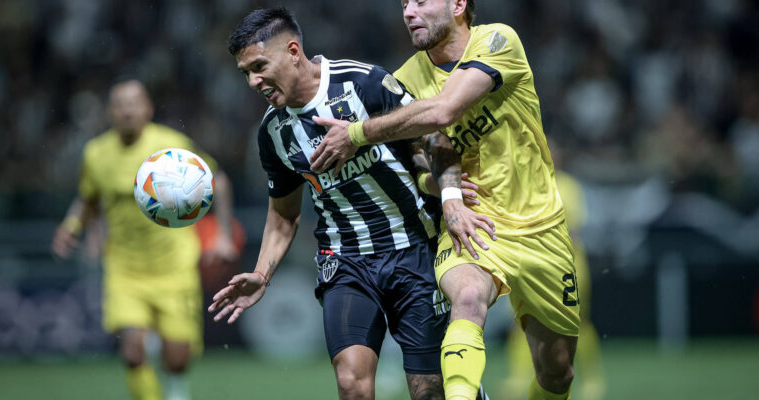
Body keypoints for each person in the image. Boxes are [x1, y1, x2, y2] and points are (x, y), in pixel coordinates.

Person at [206, 8, 489, 400]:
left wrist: (449, 196)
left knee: (429, 391)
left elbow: (432, 140)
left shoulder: (362, 81)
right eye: (246, 74)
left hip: (414, 250)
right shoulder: (273, 133)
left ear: (292, 51)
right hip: (346, 261)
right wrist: (262, 273)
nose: (254, 81)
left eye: (259, 66)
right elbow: (284, 214)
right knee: (351, 384)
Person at [309, 1, 581, 399]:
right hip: (472, 223)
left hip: (541, 229)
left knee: (557, 373)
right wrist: (437, 186)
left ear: (458, 4)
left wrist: (355, 133)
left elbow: (444, 110)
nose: (409, 12)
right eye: (404, 3)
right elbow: (416, 162)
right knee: (468, 298)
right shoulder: (401, 80)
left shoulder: (499, 41)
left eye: (421, 1)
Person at [52, 79, 240, 400]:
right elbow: (89, 199)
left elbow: (217, 179)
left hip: (174, 265)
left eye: (134, 103)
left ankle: (176, 388)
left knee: (177, 359)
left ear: (148, 109)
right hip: (125, 268)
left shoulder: (171, 146)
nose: (127, 111)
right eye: (120, 105)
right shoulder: (96, 154)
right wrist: (73, 225)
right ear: (110, 112)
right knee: (131, 352)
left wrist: (223, 235)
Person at [502, 150, 605, 400]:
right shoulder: (520, 184)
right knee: (521, 321)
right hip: (527, 261)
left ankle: (593, 379)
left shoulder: (567, 185)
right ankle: (518, 377)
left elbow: (574, 227)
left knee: (578, 322)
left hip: (568, 261)